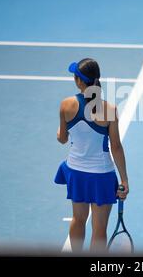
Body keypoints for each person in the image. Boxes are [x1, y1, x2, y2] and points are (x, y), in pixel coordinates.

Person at [54, 58, 129, 253]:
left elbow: (62, 139)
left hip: (76, 173)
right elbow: (116, 147)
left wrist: (62, 131)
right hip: (101, 176)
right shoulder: (110, 110)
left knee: (78, 220)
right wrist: (124, 180)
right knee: (99, 229)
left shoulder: (65, 105)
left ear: (79, 81)